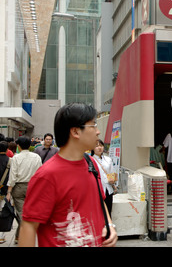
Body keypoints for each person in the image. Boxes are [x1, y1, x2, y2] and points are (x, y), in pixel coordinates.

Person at [19, 103, 117, 247]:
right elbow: (28, 226)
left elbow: (99, 200)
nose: (98, 131)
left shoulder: (91, 164)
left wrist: (109, 225)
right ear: (76, 132)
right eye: (93, 125)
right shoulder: (47, 175)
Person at [5, 136, 42, 243]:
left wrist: (9, 191)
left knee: (21, 213)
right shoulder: (36, 157)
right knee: (27, 212)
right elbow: (40, 173)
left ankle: (25, 237)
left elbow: (13, 176)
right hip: (33, 187)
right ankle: (18, 236)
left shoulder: (16, 158)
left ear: (19, 146)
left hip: (19, 187)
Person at [91, 139, 115, 216]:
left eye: (101, 145)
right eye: (96, 146)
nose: (99, 148)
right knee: (98, 213)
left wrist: (113, 180)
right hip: (97, 190)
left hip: (108, 189)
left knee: (108, 211)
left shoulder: (108, 159)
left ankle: (108, 227)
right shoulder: (90, 160)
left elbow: (111, 172)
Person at [0, 141, 10, 244]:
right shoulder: (10, 161)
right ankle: (1, 236)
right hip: (4, 190)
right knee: (3, 213)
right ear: (7, 150)